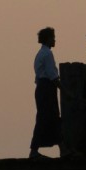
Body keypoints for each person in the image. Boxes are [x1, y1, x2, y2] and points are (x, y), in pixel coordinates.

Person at [29, 27, 62, 159]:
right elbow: (53, 76)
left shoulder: (40, 53)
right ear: (48, 39)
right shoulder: (47, 54)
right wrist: (65, 91)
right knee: (49, 116)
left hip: (42, 88)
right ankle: (35, 150)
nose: (54, 40)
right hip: (47, 88)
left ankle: (62, 147)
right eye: (53, 38)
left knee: (48, 117)